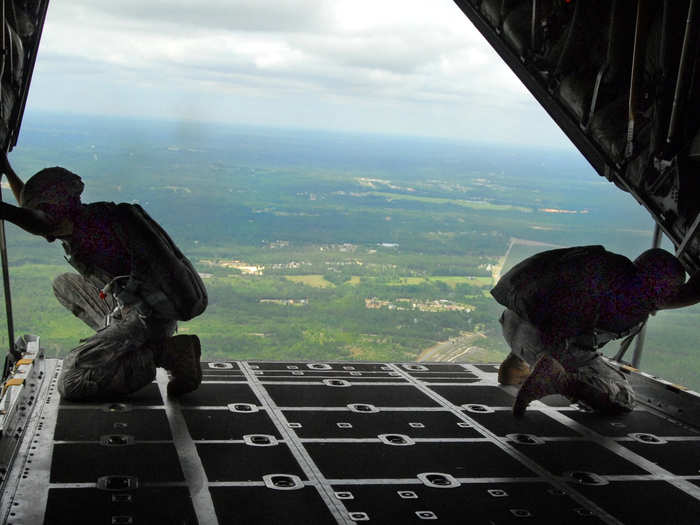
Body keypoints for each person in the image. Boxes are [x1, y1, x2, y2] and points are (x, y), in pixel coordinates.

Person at [0, 153, 207, 400]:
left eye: (45, 211)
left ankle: (167, 353)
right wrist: (8, 170)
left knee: (72, 383)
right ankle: (126, 343)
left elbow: (37, 223)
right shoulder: (93, 218)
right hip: (133, 305)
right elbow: (34, 217)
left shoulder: (93, 234)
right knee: (63, 285)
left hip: (147, 318)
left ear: (56, 208)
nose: (45, 230)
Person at [492, 245, 699, 417]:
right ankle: (557, 379)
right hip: (544, 344)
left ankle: (516, 363)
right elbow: (661, 300)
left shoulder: (606, 264)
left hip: (511, 321)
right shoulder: (632, 304)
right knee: (623, 399)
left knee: (557, 317)